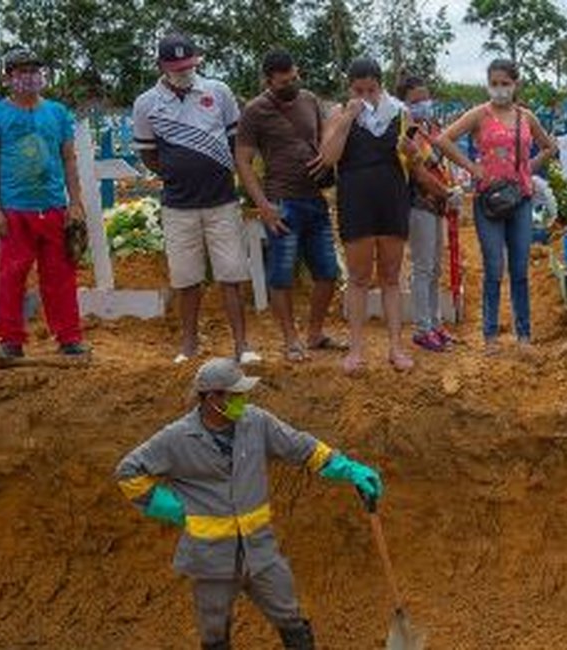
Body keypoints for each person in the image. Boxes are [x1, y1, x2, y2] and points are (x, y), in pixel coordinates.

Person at [115, 357, 383, 650]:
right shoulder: (177, 437)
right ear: (211, 397)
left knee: (290, 617)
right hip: (210, 557)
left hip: (260, 551)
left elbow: (305, 449)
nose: (242, 400)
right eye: (235, 395)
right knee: (214, 632)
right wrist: (170, 508)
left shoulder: (256, 422)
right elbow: (129, 471)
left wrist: (351, 470)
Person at [133, 33, 260, 365]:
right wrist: (178, 173)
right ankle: (188, 344)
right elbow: (149, 155)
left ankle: (241, 345)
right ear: (161, 66)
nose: (183, 71)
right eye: (176, 67)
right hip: (178, 206)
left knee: (231, 275)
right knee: (186, 279)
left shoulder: (219, 92)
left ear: (197, 62)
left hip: (222, 202)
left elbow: (236, 142)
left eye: (189, 65)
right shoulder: (146, 103)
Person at [433, 59, 556, 355]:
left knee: (520, 269)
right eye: (494, 83)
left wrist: (527, 168)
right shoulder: (480, 114)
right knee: (493, 267)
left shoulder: (526, 117)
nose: (500, 89)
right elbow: (444, 139)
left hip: (521, 198)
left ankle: (523, 334)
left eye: (505, 83)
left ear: (516, 84)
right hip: (488, 200)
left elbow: (550, 147)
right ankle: (490, 336)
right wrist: (473, 167)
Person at [0, 48, 89, 365]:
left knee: (60, 275)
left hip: (53, 206)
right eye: (20, 72)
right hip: (14, 210)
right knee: (11, 275)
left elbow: (69, 158)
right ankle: (10, 340)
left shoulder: (57, 113)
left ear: (42, 76)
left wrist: (76, 203)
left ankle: (69, 337)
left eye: (33, 71)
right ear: (8, 78)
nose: (29, 77)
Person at [235, 50, 344, 363]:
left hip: (315, 199)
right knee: (281, 275)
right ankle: (290, 340)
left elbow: (324, 141)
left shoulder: (309, 100)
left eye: (295, 77)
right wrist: (263, 205)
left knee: (327, 271)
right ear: (268, 80)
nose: (293, 84)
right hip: (282, 202)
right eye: (285, 81)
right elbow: (242, 160)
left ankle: (314, 333)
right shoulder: (255, 111)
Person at [320, 58, 418, 373]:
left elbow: (413, 159)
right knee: (359, 278)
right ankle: (356, 350)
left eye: (371, 90)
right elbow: (328, 157)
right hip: (356, 202)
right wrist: (349, 118)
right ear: (350, 87)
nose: (365, 95)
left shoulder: (400, 113)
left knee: (391, 278)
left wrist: (410, 151)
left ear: (381, 85)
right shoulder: (338, 113)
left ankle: (396, 348)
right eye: (358, 90)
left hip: (392, 200)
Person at [396, 75, 459, 353]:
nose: (423, 104)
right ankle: (422, 328)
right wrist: (447, 193)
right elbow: (418, 173)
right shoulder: (406, 133)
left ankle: (435, 324)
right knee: (423, 267)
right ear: (403, 103)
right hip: (418, 203)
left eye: (425, 98)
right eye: (416, 101)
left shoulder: (429, 129)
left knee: (434, 268)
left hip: (436, 205)